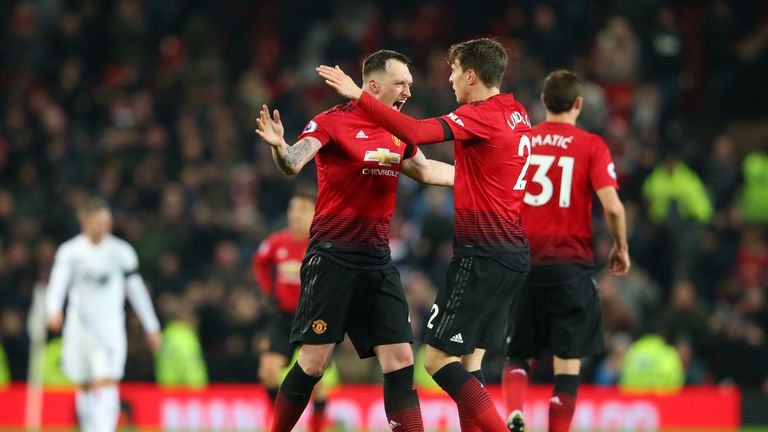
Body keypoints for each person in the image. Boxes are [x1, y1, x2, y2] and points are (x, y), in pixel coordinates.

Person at [319, 38, 532, 432]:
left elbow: (415, 130)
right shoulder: (517, 113)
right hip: (514, 254)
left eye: (453, 72)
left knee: (436, 361)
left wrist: (357, 96)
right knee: (471, 363)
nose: (449, 80)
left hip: (482, 255)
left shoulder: (480, 115)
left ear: (471, 75)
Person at [255, 49, 455, 432]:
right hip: (333, 256)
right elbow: (294, 162)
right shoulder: (331, 122)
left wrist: (484, 178)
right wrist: (280, 147)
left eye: (411, 85)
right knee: (313, 364)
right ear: (374, 85)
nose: (408, 92)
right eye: (401, 83)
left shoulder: (399, 130)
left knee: (400, 359)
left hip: (378, 260)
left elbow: (428, 171)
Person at [501, 70, 630, 432]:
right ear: (579, 104)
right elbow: (614, 207)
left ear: (542, 101)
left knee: (517, 353)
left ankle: (515, 410)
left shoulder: (522, 141)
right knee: (567, 364)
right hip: (571, 269)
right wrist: (620, 247)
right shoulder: (591, 145)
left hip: (524, 264)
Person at [46, 197, 161, 432]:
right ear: (84, 223)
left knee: (106, 381)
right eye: (99, 222)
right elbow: (58, 282)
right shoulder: (70, 252)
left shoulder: (121, 252)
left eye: (106, 222)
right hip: (79, 327)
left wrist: (152, 326)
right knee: (85, 385)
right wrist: (53, 309)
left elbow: (136, 290)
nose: (104, 227)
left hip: (109, 327)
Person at [253, 192, 330, 432]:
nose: (296, 215)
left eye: (302, 210)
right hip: (284, 317)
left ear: (314, 214)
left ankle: (316, 427)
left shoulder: (322, 245)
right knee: (267, 372)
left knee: (315, 380)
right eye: (292, 209)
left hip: (313, 319)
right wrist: (268, 289)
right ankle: (280, 424)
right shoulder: (277, 242)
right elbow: (259, 261)